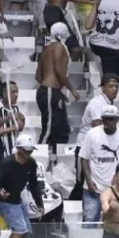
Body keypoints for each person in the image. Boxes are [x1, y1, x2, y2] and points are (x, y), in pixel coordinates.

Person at [0, 135, 45, 238]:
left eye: (30, 151)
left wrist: (40, 204)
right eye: (26, 151)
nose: (28, 154)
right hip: (4, 200)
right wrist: (0, 192)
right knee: (20, 230)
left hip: (16, 200)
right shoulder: (7, 163)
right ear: (19, 150)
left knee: (25, 232)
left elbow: (33, 185)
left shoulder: (31, 163)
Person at [81, 104, 119, 222]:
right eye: (105, 118)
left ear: (117, 120)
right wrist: (89, 180)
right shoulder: (91, 134)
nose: (107, 121)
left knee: (117, 223)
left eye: (111, 119)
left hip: (117, 189)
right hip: (94, 189)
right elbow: (84, 159)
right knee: (89, 222)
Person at [36, 22, 78, 150]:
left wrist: (57, 93)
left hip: (51, 92)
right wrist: (72, 90)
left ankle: (56, 160)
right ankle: (37, 158)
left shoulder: (46, 49)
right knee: (48, 131)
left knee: (61, 129)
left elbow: (38, 76)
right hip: (49, 91)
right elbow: (59, 71)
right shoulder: (59, 47)